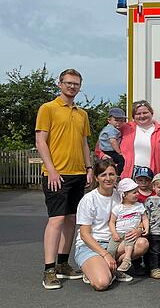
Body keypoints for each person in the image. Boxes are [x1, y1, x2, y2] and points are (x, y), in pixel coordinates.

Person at [35, 68, 92, 289]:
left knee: (71, 220)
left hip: (78, 173)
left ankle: (62, 264)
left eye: (76, 84)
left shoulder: (82, 114)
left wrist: (89, 168)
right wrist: (52, 170)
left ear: (80, 86)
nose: (72, 87)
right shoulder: (47, 108)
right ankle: (49, 270)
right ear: (59, 84)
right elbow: (41, 142)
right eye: (68, 83)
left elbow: (84, 143)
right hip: (55, 174)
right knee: (56, 220)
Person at [74, 158, 149, 290]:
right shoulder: (89, 199)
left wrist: (139, 229)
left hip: (114, 241)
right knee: (101, 283)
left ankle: (110, 268)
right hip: (91, 245)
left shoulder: (120, 196)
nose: (108, 178)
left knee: (142, 243)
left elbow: (138, 216)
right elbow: (85, 235)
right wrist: (105, 254)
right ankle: (101, 269)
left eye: (111, 174)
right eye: (103, 175)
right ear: (97, 178)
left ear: (116, 176)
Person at [108, 178, 149, 273]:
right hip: (118, 232)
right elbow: (111, 222)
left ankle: (127, 260)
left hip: (130, 232)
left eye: (137, 192)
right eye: (134, 193)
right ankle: (110, 267)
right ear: (124, 195)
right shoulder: (118, 207)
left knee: (129, 244)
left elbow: (145, 218)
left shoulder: (139, 206)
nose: (137, 194)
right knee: (110, 250)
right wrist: (114, 233)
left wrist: (146, 228)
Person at [98, 108, 127, 176]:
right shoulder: (111, 129)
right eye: (116, 120)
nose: (119, 122)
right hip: (109, 151)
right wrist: (119, 152)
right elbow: (113, 141)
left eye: (121, 120)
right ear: (109, 120)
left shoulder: (110, 128)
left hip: (106, 151)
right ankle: (117, 174)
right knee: (121, 160)